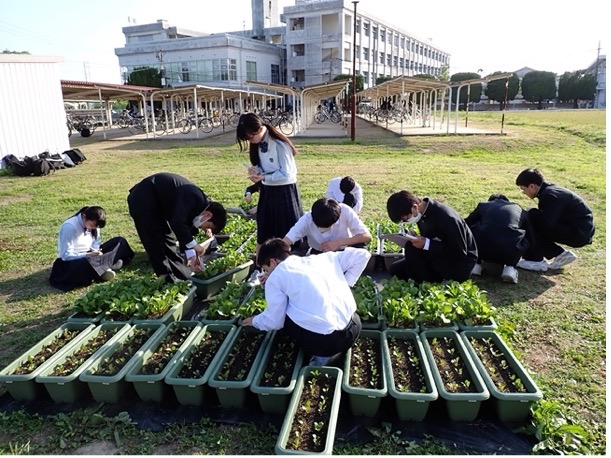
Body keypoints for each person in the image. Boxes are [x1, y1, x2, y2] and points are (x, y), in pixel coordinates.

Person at [242, 237, 370, 366]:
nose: (267, 273)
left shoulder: (276, 278)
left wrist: (255, 321)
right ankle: (334, 351)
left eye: (266, 269)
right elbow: (363, 254)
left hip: (329, 342)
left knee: (286, 314)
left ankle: (322, 358)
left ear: (273, 262)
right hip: (354, 326)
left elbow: (274, 321)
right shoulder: (321, 258)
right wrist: (346, 283)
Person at [127, 172, 227, 283]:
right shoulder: (194, 197)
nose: (202, 229)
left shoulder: (199, 206)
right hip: (143, 199)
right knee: (155, 240)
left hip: (157, 205)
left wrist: (192, 256)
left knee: (168, 239)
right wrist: (195, 245)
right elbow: (177, 223)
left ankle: (184, 276)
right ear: (208, 215)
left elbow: (185, 231)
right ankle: (165, 278)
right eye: (207, 226)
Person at [236, 112, 302, 255]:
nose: (250, 141)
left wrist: (264, 178)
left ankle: (286, 268)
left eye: (250, 137)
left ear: (259, 129)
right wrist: (256, 170)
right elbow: (265, 167)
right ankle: (261, 268)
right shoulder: (258, 143)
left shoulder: (280, 145)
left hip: (284, 193)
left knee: (286, 235)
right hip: (268, 192)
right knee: (264, 232)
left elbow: (288, 174)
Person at [386, 190, 477, 284]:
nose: (406, 222)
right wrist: (417, 238)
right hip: (439, 254)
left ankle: (421, 286)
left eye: (405, 219)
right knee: (395, 270)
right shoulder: (422, 212)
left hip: (458, 265)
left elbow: (459, 252)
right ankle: (420, 280)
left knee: (411, 249)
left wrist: (427, 244)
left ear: (414, 207)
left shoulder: (447, 218)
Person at [515, 168, 595, 271]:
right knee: (534, 217)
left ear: (532, 186)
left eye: (523, 189)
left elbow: (546, 224)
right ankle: (560, 254)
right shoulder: (550, 190)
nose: (523, 193)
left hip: (578, 233)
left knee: (531, 216)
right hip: (581, 230)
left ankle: (535, 260)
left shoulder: (549, 195)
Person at [49, 206, 134, 291]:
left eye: (95, 227)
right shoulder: (69, 226)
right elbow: (65, 255)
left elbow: (95, 243)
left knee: (120, 242)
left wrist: (96, 251)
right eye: (91, 225)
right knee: (85, 263)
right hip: (72, 261)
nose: (92, 228)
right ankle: (106, 267)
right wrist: (87, 255)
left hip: (90, 255)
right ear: (84, 216)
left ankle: (102, 268)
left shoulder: (95, 227)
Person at [464, 194, 535, 284]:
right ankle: (510, 268)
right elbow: (530, 236)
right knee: (521, 235)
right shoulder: (520, 210)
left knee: (474, 228)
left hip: (482, 248)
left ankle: (476, 265)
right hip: (510, 250)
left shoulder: (483, 205)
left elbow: (466, 224)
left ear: (490, 201)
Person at [283, 197, 371, 254]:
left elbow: (366, 236)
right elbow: (286, 241)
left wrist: (338, 243)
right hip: (319, 253)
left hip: (344, 249)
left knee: (362, 250)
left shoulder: (345, 211)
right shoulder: (306, 220)